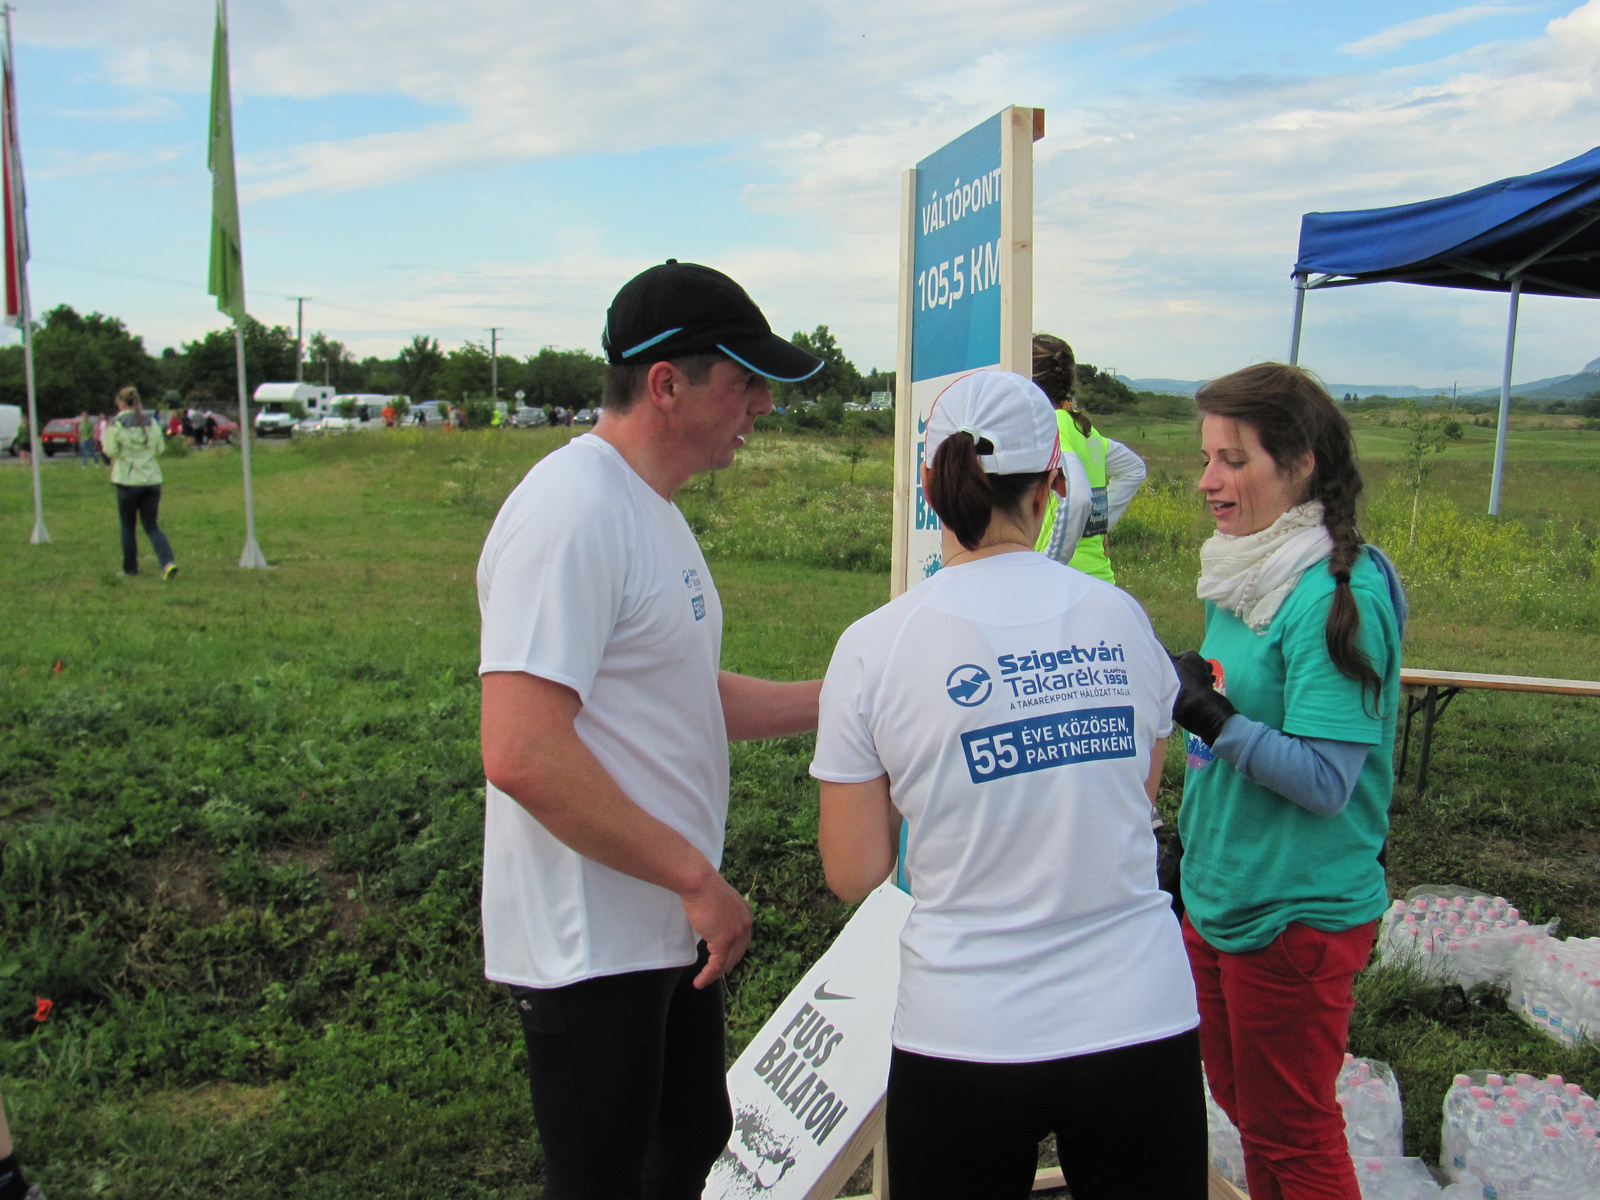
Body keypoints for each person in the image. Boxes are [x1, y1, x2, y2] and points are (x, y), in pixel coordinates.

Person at [477, 260, 827, 1200]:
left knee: (687, 1139)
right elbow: (521, 750)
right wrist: (693, 877)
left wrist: (838, 699)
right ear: (666, 383)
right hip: (593, 938)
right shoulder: (574, 508)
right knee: (611, 1176)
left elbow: (675, 695)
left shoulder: (650, 512)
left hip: (657, 929)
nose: (762, 403)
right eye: (745, 380)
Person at [812, 369, 1206, 1200]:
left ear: (929, 486)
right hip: (1139, 1015)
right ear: (1055, 487)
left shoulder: (873, 645)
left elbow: (854, 872)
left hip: (965, 1030)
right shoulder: (1120, 616)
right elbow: (1134, 801)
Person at [1169, 363, 1405, 1200]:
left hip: (1292, 914)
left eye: (1232, 459)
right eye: (1206, 458)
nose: (1208, 481)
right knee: (1249, 1108)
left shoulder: (1334, 594)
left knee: (1294, 1133)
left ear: (1299, 460)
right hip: (1223, 893)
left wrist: (1214, 721)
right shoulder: (1246, 570)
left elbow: (1326, 779)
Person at [1031, 335, 1147, 584]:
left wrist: (1048, 564)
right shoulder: (1085, 430)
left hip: (1062, 582)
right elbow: (1134, 469)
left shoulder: (1050, 426)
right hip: (1099, 578)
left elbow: (1078, 498)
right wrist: (1099, 522)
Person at [102, 386, 178, 580]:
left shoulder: (117, 423)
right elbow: (160, 448)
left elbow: (110, 450)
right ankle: (167, 562)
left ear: (121, 403)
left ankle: (130, 568)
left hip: (128, 479)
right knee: (152, 525)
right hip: (152, 479)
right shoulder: (151, 421)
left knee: (128, 526)